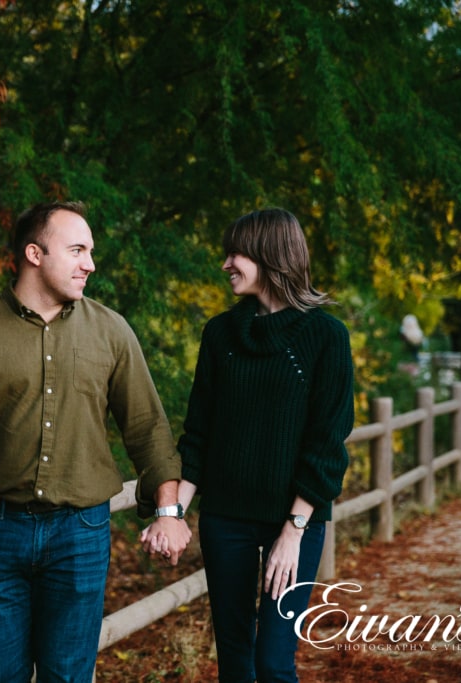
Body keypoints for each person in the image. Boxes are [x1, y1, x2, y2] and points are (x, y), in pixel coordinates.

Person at [0, 200, 191, 683]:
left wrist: (169, 512)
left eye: (90, 252)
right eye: (78, 250)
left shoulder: (112, 332)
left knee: (68, 677)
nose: (91, 264)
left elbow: (148, 428)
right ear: (35, 254)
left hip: (80, 535)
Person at [147, 208, 354, 682]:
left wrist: (293, 532)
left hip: (294, 522)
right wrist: (172, 515)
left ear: (269, 255)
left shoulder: (326, 337)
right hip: (226, 522)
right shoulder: (220, 335)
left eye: (235, 253)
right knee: (236, 663)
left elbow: (327, 445)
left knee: (273, 662)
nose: (225, 264)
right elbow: (198, 436)